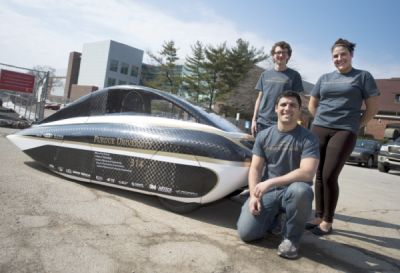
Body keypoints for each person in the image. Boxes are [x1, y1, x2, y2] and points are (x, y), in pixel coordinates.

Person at [306, 38, 380, 236]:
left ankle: (328, 221)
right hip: (320, 128)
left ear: (351, 55)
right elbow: (312, 103)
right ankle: (318, 216)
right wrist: (320, 119)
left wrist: (355, 126)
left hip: (345, 130)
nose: (339, 59)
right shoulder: (324, 78)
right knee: (319, 174)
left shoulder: (363, 77)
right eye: (335, 56)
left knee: (330, 175)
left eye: (343, 55)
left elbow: (372, 108)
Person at [237, 91, 319, 259]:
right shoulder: (264, 135)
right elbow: (255, 168)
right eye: (283, 104)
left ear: (299, 110)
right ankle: (276, 218)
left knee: (301, 192)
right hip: (269, 193)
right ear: (276, 108)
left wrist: (270, 182)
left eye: (292, 105)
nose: (287, 108)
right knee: (247, 233)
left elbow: (307, 172)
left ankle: (291, 239)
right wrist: (253, 195)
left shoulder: (308, 138)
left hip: (293, 190)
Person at [251, 41, 304, 136]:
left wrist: (295, 120)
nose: (281, 55)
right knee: (258, 151)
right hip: (262, 123)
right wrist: (254, 120)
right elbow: (259, 98)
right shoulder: (265, 75)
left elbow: (298, 102)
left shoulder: (294, 76)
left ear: (288, 56)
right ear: (273, 56)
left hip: (283, 123)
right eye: (278, 52)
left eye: (284, 53)